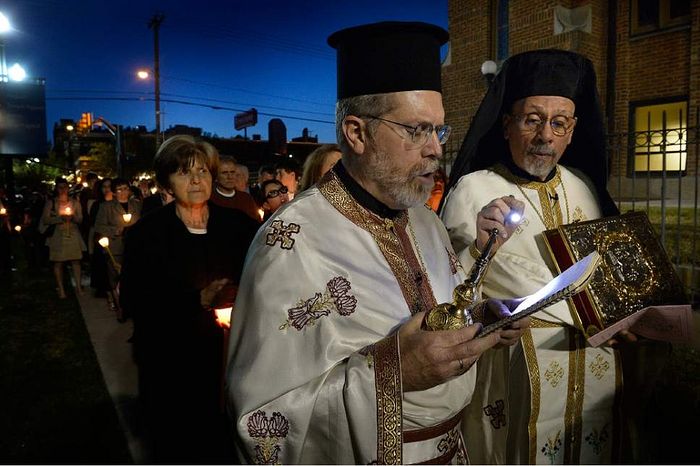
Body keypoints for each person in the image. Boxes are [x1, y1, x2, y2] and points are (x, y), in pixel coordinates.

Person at [226, 22, 528, 464]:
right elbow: (261, 423)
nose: (435, 151)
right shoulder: (289, 241)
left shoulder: (426, 220)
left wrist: (480, 318)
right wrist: (394, 372)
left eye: (438, 132)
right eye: (416, 131)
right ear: (356, 132)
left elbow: (438, 310)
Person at [441, 49, 633, 464]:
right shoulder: (473, 190)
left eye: (559, 123)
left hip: (593, 364)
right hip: (512, 370)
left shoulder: (584, 187)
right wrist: (477, 250)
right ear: (507, 124)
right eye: (532, 120)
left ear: (573, 130)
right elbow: (448, 286)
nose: (546, 135)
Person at [120, 135, 258, 463]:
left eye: (203, 172)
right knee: (179, 445)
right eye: (185, 173)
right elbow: (133, 300)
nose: (196, 180)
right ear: (167, 182)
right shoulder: (147, 235)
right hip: (172, 364)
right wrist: (196, 299)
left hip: (232, 359)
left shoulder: (240, 226)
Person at [95, 178, 142, 320]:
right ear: (114, 193)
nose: (123, 192)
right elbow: (99, 226)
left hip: (134, 247)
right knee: (115, 278)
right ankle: (120, 308)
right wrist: (116, 230)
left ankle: (133, 306)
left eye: (126, 189)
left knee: (133, 277)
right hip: (116, 247)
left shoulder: (136, 205)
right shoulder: (106, 207)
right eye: (119, 190)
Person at [40, 178, 86, 299]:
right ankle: (61, 289)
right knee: (58, 262)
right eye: (60, 187)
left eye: (65, 187)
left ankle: (78, 287)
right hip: (57, 235)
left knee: (76, 261)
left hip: (72, 234)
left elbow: (80, 219)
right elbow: (45, 219)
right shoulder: (52, 203)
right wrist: (60, 218)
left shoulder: (75, 202)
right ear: (56, 188)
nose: (63, 190)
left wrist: (72, 217)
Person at [209, 155, 260, 222]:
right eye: (224, 173)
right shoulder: (209, 199)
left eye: (232, 172)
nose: (230, 177)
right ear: (216, 176)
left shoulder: (246, 199)